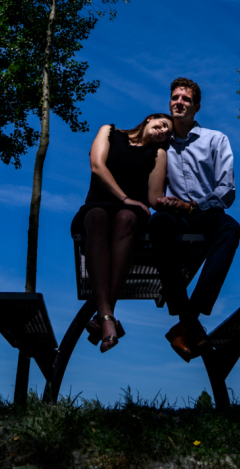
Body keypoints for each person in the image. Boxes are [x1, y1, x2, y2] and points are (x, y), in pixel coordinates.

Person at [149, 77, 240, 362]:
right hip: (173, 216)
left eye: (185, 99)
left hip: (205, 214)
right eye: (175, 98)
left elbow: (227, 190)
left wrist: (193, 206)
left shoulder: (216, 139)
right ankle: (189, 322)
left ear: (196, 107)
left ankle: (188, 319)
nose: (179, 102)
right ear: (169, 103)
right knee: (158, 223)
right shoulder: (159, 143)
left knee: (231, 227)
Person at [71, 113, 172, 352]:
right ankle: (108, 318)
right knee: (97, 215)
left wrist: (176, 203)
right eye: (162, 124)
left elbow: (153, 197)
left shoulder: (158, 154)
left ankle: (104, 318)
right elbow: (97, 166)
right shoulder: (110, 131)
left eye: (167, 132)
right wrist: (126, 198)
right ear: (149, 119)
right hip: (98, 206)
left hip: (130, 214)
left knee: (126, 217)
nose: (163, 131)